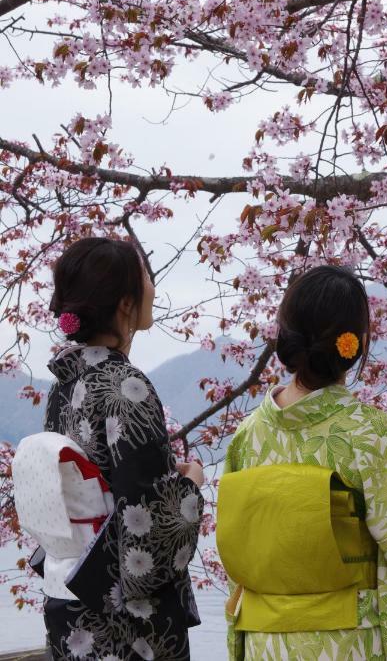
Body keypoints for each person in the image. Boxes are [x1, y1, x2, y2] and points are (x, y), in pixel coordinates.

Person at [217, 265, 387, 661]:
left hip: (263, 644)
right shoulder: (370, 433)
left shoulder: (247, 436)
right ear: (354, 342)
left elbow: (245, 556)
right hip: (347, 644)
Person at [36, 237, 204, 660]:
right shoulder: (124, 389)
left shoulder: (64, 386)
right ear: (125, 303)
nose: (153, 286)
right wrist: (190, 487)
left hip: (71, 604)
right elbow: (147, 531)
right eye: (146, 276)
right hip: (126, 626)